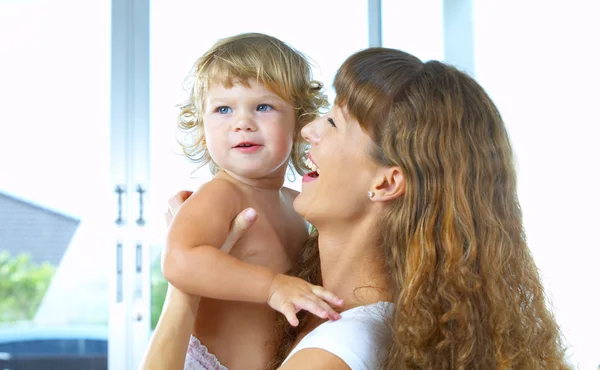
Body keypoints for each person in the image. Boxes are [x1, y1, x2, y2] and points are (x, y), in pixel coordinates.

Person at [142, 46, 572, 370]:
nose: (308, 130)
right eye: (222, 109)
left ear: (386, 182)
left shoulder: (333, 350)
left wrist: (186, 293)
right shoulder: (395, 324)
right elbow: (184, 260)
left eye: (332, 122)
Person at [156, 33, 343, 370]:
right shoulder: (221, 194)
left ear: (300, 122)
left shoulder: (296, 204)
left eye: (263, 106)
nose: (242, 123)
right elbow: (179, 261)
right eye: (223, 109)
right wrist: (271, 287)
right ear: (202, 128)